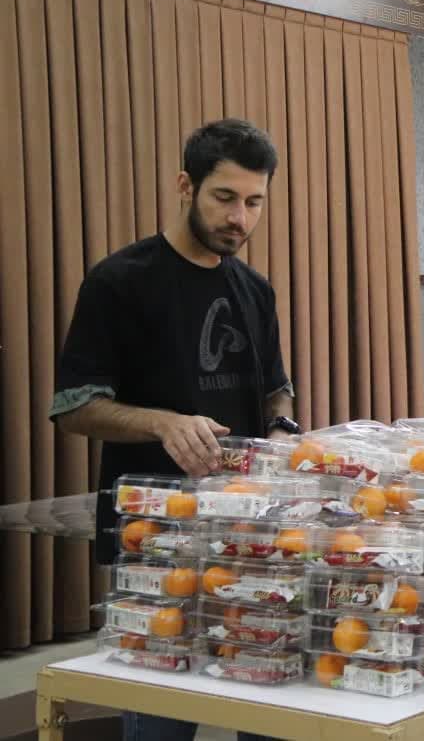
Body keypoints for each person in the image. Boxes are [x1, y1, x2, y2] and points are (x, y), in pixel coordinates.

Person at [51, 119, 296, 741]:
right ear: (186, 186)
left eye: (254, 202)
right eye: (225, 197)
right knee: (160, 723)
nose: (239, 218)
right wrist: (163, 423)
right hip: (152, 539)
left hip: (246, 536)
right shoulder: (119, 281)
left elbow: (276, 386)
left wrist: (282, 430)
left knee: (266, 707)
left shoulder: (254, 290)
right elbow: (73, 406)